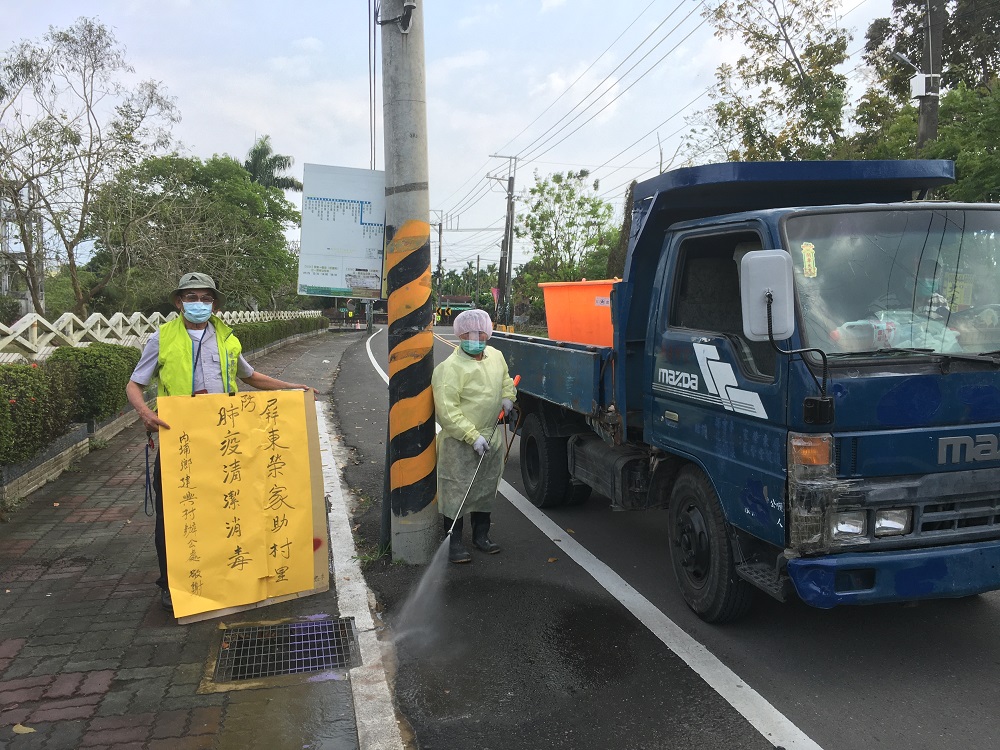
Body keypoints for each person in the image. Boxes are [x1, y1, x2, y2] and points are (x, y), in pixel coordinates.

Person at [125, 272, 315, 612]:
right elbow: (134, 384)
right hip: (179, 440)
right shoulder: (162, 338)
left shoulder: (227, 338)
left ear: (214, 303)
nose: (199, 303)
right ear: (179, 301)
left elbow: (251, 377)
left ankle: (221, 577)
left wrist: (293, 389)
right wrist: (143, 412)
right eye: (191, 297)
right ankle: (173, 583)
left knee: (225, 506)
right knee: (175, 513)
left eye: (205, 297)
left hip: (224, 440)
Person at [432, 309, 517, 564]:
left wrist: (508, 397)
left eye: (479, 333)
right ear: (459, 335)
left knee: (484, 488)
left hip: (491, 437)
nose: (475, 338)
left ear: (487, 334)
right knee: (456, 491)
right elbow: (447, 411)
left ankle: (482, 535)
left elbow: (505, 380)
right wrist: (472, 436)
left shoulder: (496, 357)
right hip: (460, 443)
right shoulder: (449, 369)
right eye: (469, 334)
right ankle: (454, 540)